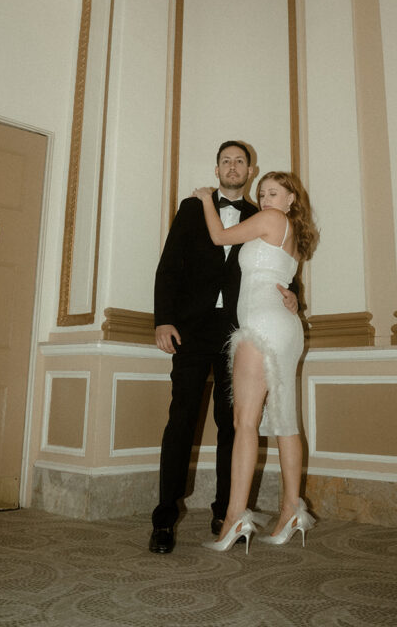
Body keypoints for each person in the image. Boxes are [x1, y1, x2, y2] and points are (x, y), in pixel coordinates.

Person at [149, 142, 299, 554]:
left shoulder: (264, 214)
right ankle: (164, 519)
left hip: (242, 330)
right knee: (181, 420)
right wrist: (163, 319)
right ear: (216, 168)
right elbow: (168, 265)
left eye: (240, 161)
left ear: (251, 170)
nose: (232, 166)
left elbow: (281, 270)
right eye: (225, 160)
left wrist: (294, 298)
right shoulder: (192, 208)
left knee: (235, 424)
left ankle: (225, 511)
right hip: (191, 330)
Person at [193, 170, 319, 553]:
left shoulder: (271, 220)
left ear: (290, 199)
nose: (265, 198)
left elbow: (218, 237)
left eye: (274, 192)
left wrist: (204, 198)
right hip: (285, 326)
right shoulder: (292, 234)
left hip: (261, 325)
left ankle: (234, 518)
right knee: (284, 422)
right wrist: (295, 300)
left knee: (243, 422)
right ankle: (290, 510)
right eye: (262, 192)